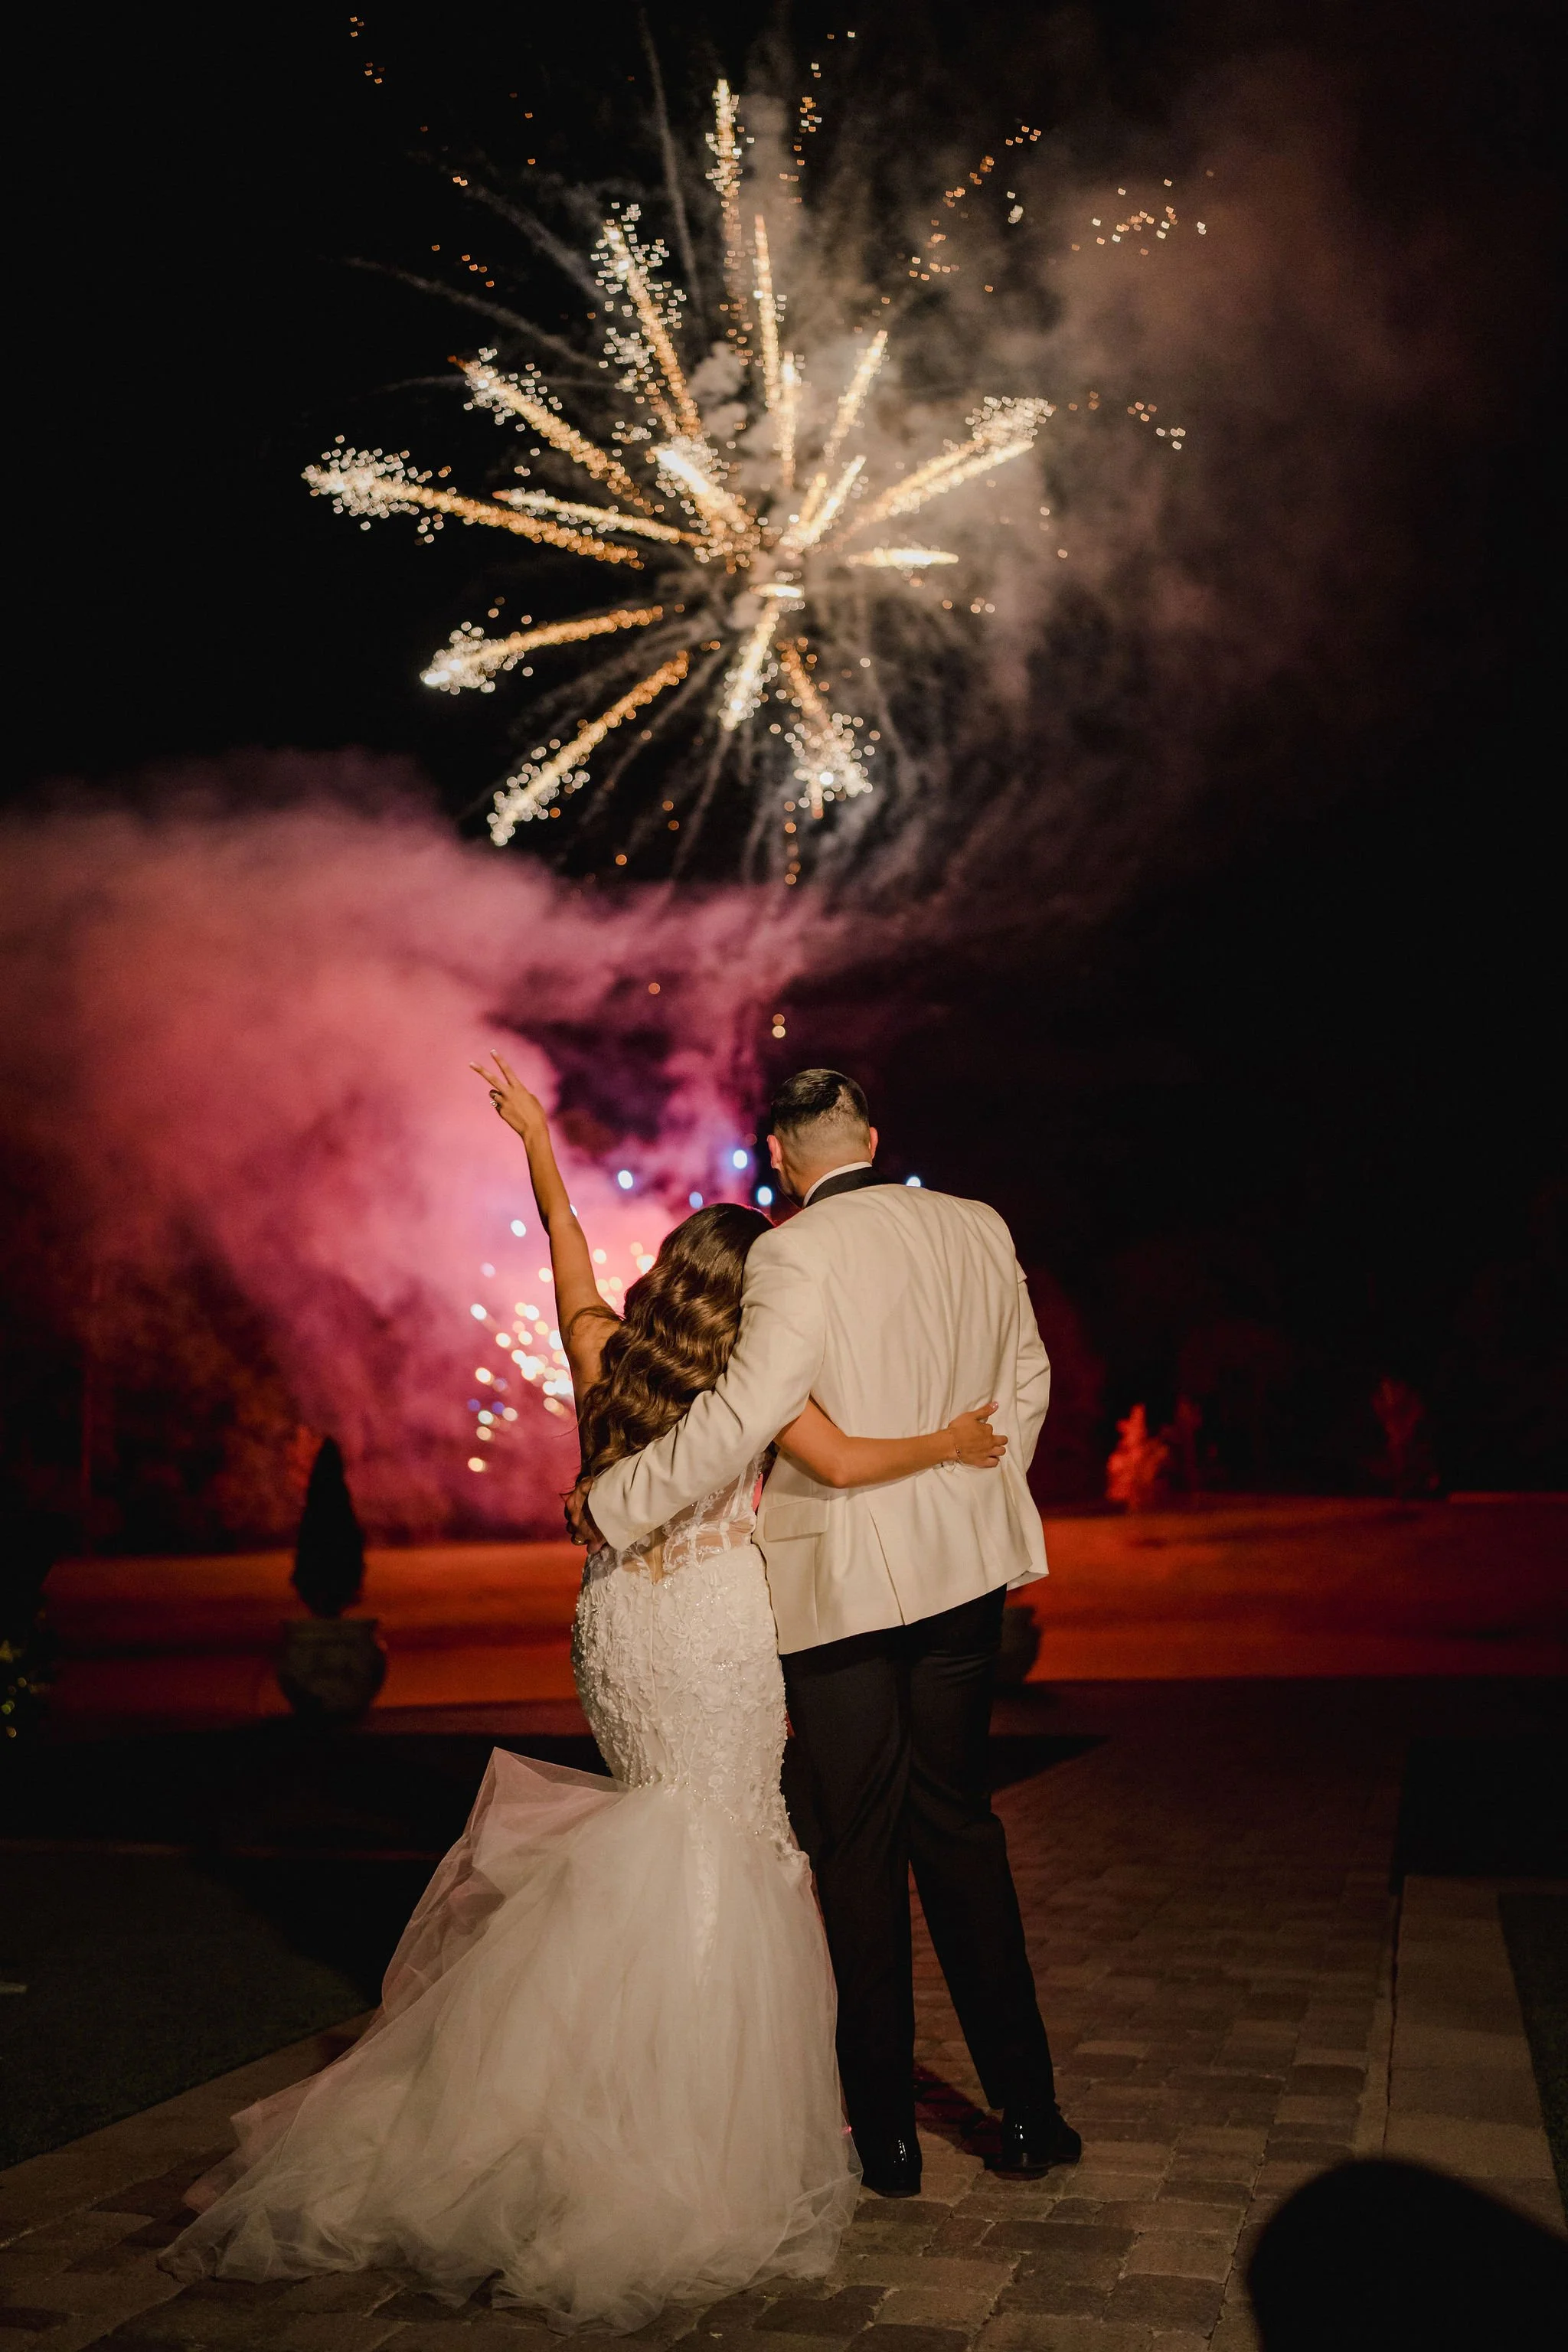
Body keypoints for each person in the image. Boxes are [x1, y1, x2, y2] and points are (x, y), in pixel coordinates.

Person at [162, 1057, 1011, 2331]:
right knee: (725, 1844)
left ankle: (563, 2108)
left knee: (648, 1824)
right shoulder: (758, 1394)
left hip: (619, 1626)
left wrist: (540, 1146)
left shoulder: (606, 1352)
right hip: (718, 1628)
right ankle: (686, 2134)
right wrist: (948, 1443)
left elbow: (565, 1250)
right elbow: (843, 1455)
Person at [578, 1069, 1080, 2198]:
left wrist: (617, 1501)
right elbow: (1029, 1382)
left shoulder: (792, 1251)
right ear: (872, 1135)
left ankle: (889, 2143)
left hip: (842, 1590)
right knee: (959, 1826)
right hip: (966, 1579)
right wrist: (971, 1504)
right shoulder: (979, 1223)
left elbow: (745, 1415)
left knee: (859, 1847)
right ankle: (1032, 2113)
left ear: (779, 1157)